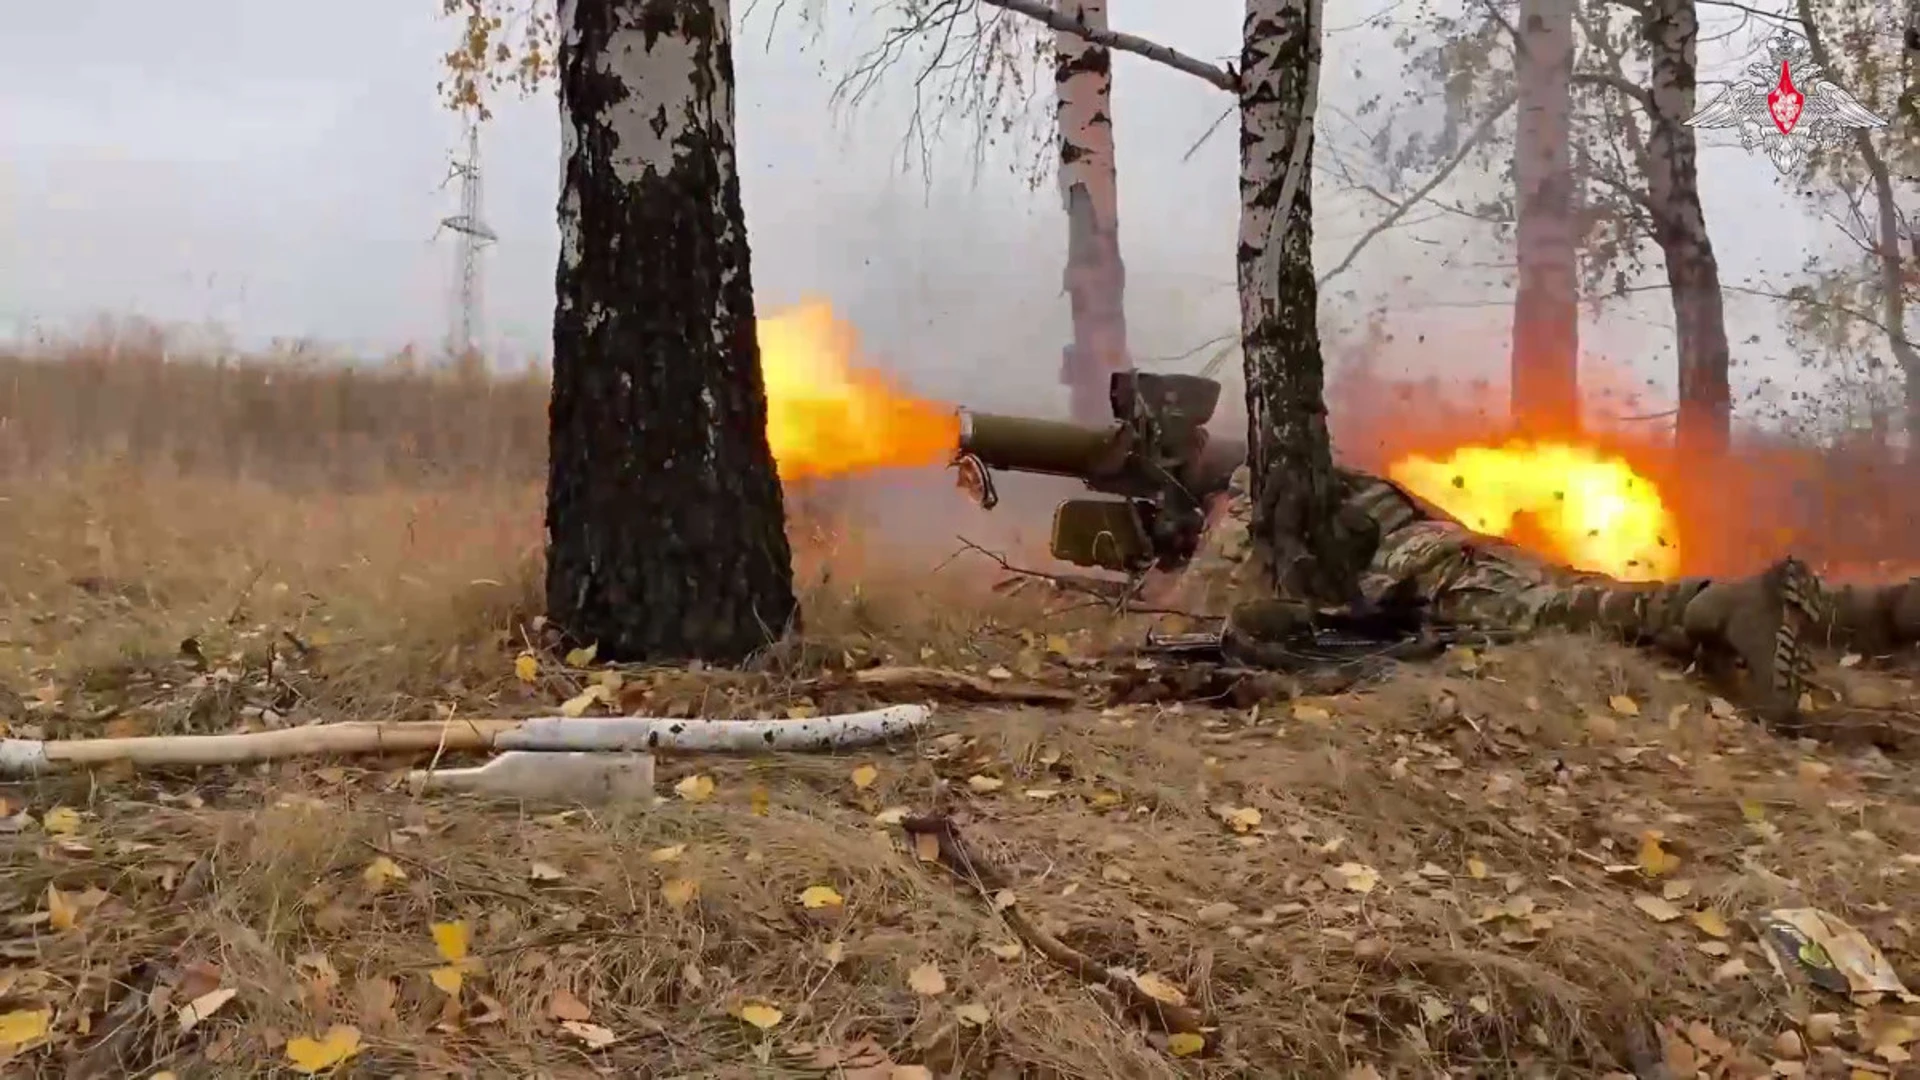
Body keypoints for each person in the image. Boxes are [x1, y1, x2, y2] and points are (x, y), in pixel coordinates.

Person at [1175, 465, 1825, 724]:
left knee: (1560, 613)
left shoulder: (1259, 487)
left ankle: (1725, 607)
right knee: (1584, 594)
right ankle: (1853, 617)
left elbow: (1209, 594)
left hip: (1439, 577)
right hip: (1467, 554)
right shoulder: (1341, 478)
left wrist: (1202, 538)